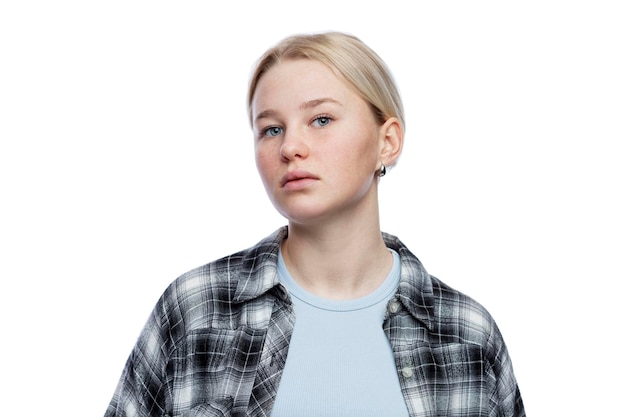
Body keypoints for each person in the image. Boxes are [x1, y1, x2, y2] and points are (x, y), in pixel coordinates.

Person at [104, 31, 525, 417]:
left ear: (388, 141)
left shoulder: (465, 335)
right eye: (271, 129)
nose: (290, 147)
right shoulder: (196, 310)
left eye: (321, 120)